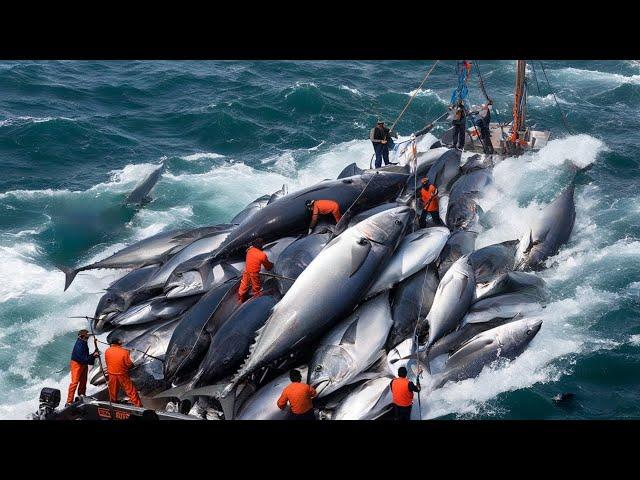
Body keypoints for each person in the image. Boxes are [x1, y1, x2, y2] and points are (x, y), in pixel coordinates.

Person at [104, 337, 143, 407]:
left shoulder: (107, 351)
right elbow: (128, 364)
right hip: (122, 374)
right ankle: (138, 405)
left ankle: (113, 403)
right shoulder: (125, 352)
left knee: (113, 391)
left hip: (111, 374)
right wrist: (136, 365)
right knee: (131, 391)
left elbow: (107, 362)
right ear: (119, 343)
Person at [65, 329, 98, 406]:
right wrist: (93, 356)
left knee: (83, 380)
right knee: (74, 383)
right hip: (77, 364)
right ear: (81, 337)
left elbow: (85, 358)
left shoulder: (83, 342)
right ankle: (69, 401)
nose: (87, 339)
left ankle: (81, 394)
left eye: (88, 337)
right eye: (86, 337)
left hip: (83, 363)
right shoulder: (79, 345)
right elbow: (82, 359)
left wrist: (93, 354)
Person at [238, 238, 273, 303]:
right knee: (256, 289)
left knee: (244, 286)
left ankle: (240, 299)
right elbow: (268, 267)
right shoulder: (262, 255)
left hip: (246, 271)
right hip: (254, 274)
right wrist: (272, 265)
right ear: (261, 245)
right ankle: (255, 301)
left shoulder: (249, 250)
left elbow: (250, 249)